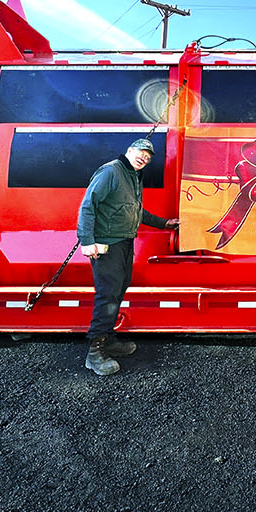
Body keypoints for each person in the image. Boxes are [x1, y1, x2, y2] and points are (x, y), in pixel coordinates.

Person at [78, 137, 178, 376]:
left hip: (124, 242)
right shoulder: (111, 171)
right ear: (129, 150)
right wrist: (87, 241)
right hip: (107, 244)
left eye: (148, 156)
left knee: (118, 289)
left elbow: (136, 210)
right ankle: (95, 352)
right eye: (141, 152)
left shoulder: (133, 176)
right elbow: (88, 205)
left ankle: (109, 339)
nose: (144, 157)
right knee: (108, 294)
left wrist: (164, 224)